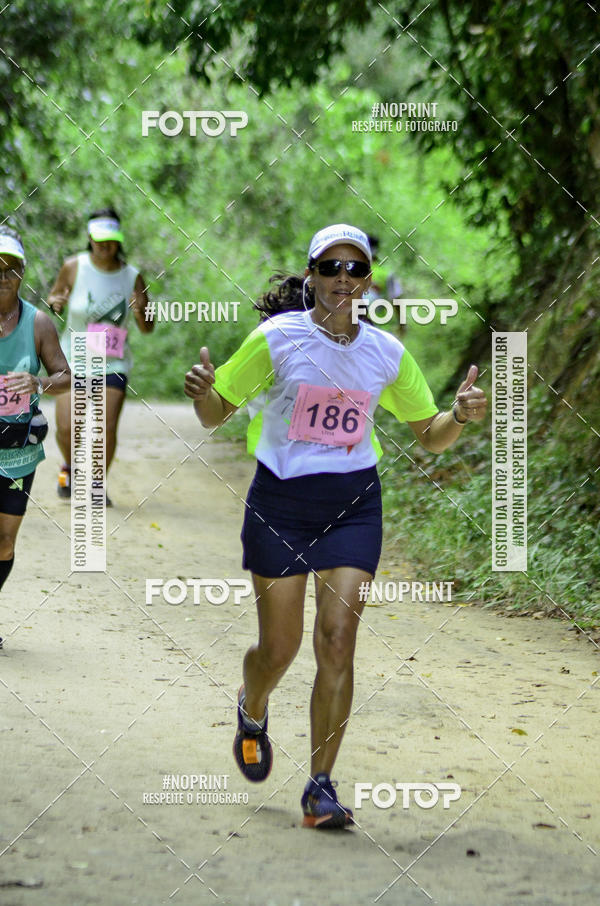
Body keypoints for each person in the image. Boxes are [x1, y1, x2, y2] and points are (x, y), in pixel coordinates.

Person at [184, 223, 487, 829]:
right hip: (281, 504)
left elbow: (430, 436)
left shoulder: (387, 354)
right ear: (312, 276)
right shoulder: (276, 339)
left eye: (355, 270)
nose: (343, 280)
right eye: (330, 268)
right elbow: (217, 414)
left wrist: (458, 414)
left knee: (338, 640)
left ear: (368, 280)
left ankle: (320, 786)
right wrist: (201, 393)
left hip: (353, 504)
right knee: (279, 648)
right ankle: (253, 704)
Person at [47, 208, 154, 504]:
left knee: (105, 428)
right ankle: (69, 467)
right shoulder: (73, 266)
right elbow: (55, 300)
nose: (104, 246)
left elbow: (147, 327)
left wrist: (141, 309)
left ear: (119, 240)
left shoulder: (133, 276)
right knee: (68, 428)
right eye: (99, 239)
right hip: (73, 359)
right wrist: (56, 302)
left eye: (111, 240)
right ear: (89, 237)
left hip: (112, 361)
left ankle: (95, 485)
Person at [0, 226, 71, 649]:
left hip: (15, 451)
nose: (2, 276)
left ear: (23, 274)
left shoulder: (38, 323)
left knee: (4, 540)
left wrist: (37, 381)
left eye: (12, 269)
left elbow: (66, 376)